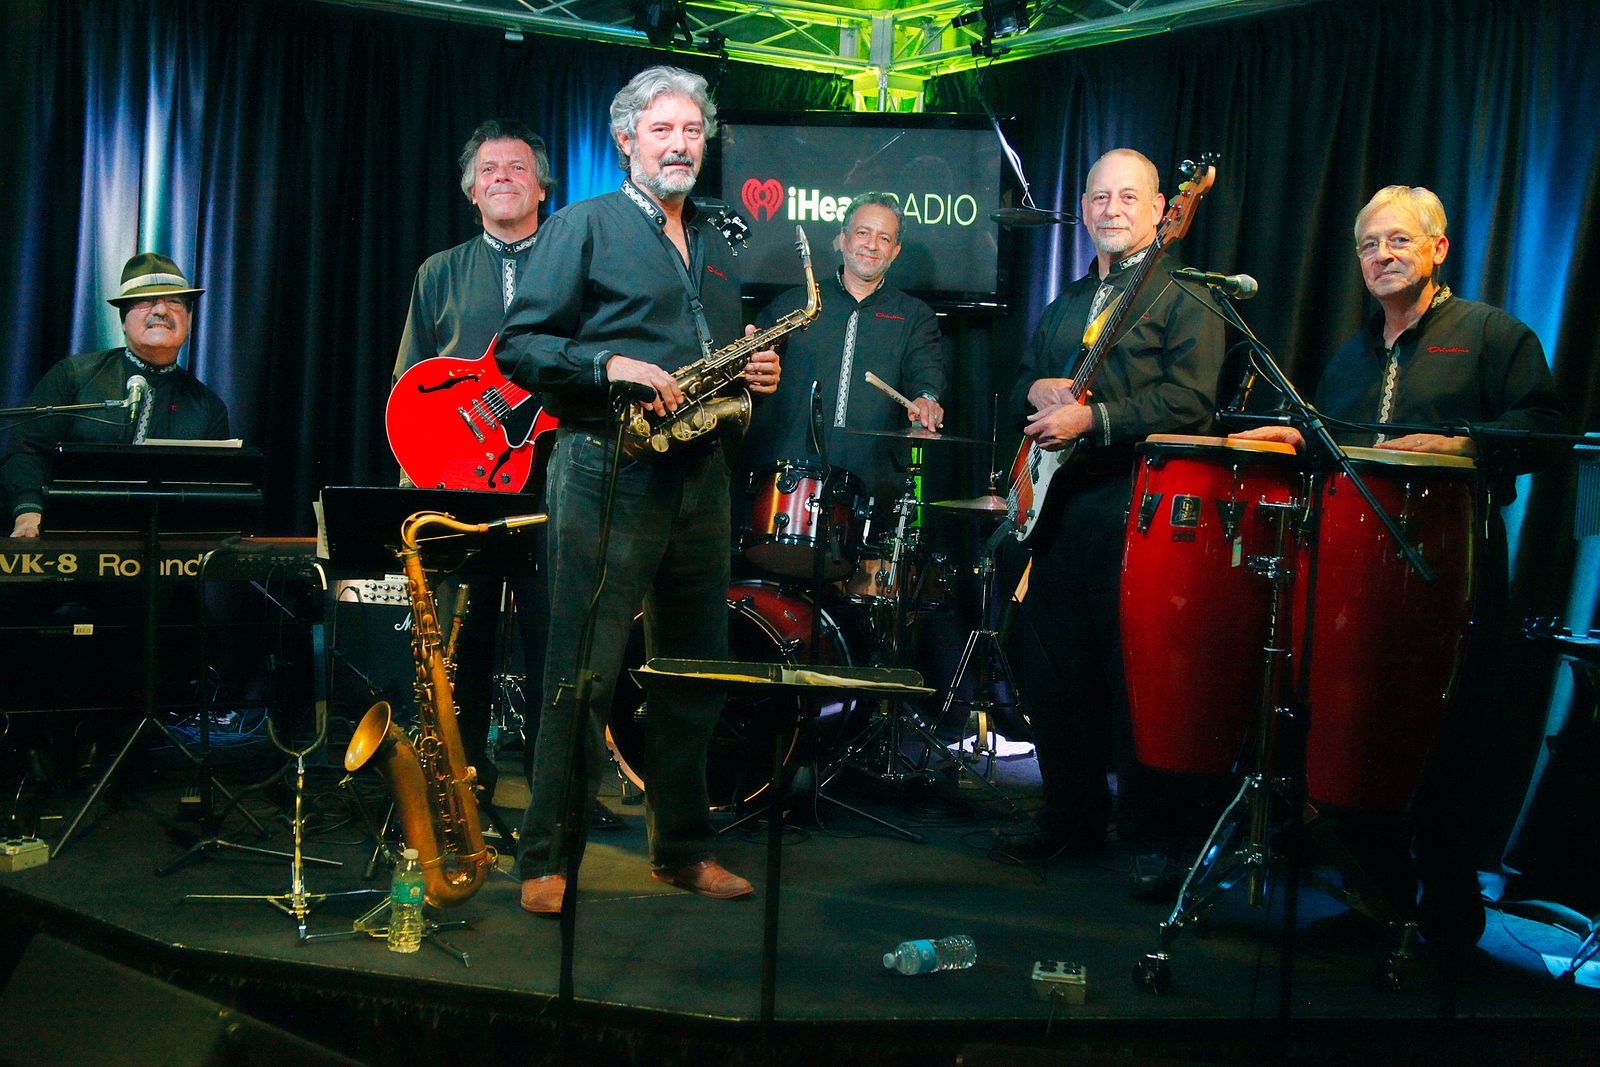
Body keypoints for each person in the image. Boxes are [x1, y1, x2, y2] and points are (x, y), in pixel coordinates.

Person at [1234, 185, 1564, 945]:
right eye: (1368, 245)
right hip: (1353, 572)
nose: (1381, 256)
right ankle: (1376, 903)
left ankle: (1449, 918)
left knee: (1448, 736)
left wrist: (1464, 441)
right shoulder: (1351, 354)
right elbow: (1338, 442)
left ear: (1439, 249)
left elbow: (1547, 428)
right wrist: (1294, 441)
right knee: (1360, 728)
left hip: (1454, 568)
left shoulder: (1491, 334)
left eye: (1399, 241)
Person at [495, 66, 779, 913]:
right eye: (662, 130)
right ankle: (548, 857)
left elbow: (711, 354)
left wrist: (752, 371)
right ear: (627, 140)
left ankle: (682, 849)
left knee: (696, 670)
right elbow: (519, 346)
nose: (680, 145)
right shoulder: (582, 225)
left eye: (692, 131)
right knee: (581, 671)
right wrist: (607, 363)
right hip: (606, 465)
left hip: (700, 473)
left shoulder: (718, 240)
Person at [1001, 149, 1225, 873]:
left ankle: (1155, 836)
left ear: (1161, 209)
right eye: (1099, 197)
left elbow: (1191, 401)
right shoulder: (1068, 301)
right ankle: (1069, 818)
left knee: (1136, 678)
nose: (1111, 209)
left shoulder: (1187, 297)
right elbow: (1021, 384)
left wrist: (1094, 419)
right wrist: (1036, 391)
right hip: (1060, 510)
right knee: (1057, 676)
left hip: (1141, 511)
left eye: (1129, 197)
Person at [389, 120, 602, 825]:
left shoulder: (581, 265)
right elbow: (410, 385)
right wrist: (418, 484)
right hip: (460, 485)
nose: (502, 176)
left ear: (542, 187)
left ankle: (557, 795)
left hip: (556, 476)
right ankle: (460, 790)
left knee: (556, 639)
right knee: (463, 642)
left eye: (517, 167)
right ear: (471, 191)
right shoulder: (438, 273)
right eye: (489, 169)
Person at [737, 191, 946, 511]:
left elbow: (926, 371)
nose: (872, 245)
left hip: (871, 485)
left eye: (884, 238)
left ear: (895, 250)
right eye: (863, 233)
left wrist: (926, 398)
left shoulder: (915, 316)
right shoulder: (793, 305)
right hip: (789, 480)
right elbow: (752, 378)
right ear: (843, 239)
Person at [2, 252, 230, 537]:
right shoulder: (74, 376)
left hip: (167, 550)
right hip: (71, 541)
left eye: (174, 302)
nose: (161, 310)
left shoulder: (208, 407)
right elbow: (26, 450)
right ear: (123, 321)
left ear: (189, 319)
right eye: (146, 301)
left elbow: (217, 491)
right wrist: (28, 510)